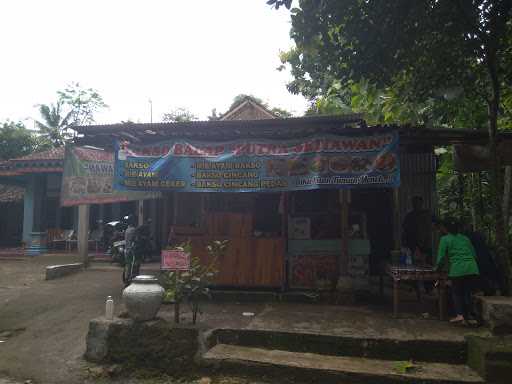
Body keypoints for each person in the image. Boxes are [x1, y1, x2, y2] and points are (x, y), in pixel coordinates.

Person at [435, 218, 480, 323]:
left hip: (457, 269)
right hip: (471, 268)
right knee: (467, 292)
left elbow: (441, 258)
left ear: (446, 229)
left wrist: (437, 268)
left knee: (456, 292)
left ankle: (460, 315)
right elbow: (474, 254)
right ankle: (469, 316)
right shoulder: (465, 238)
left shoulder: (445, 239)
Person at [402, 196, 432, 265]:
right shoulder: (409, 216)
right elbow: (405, 230)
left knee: (426, 262)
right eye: (415, 203)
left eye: (418, 203)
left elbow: (436, 224)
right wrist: (405, 244)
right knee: (414, 263)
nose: (416, 205)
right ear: (413, 204)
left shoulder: (427, 214)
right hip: (413, 244)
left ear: (421, 203)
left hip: (425, 243)